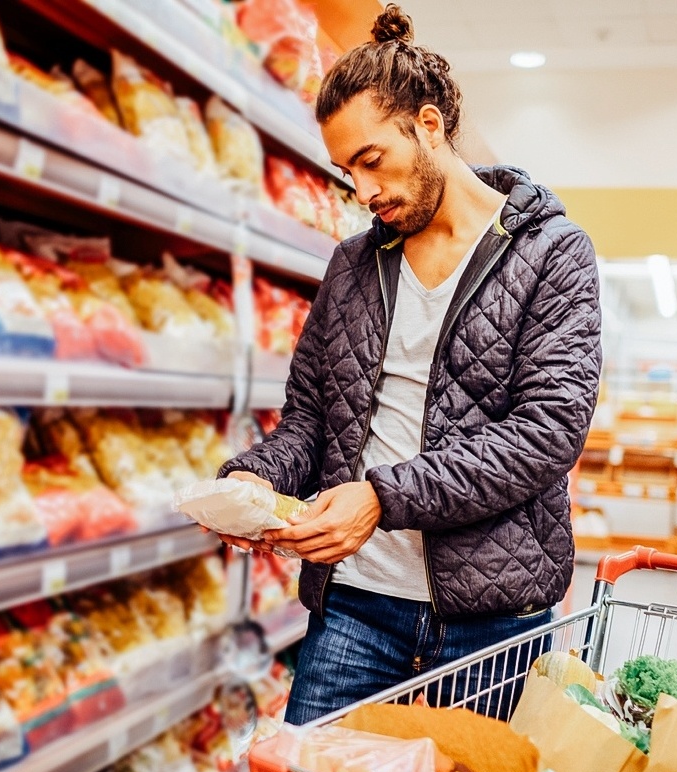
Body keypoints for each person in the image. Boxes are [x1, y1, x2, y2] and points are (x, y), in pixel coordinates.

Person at [217, 3, 602, 725]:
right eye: (346, 171)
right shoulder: (352, 265)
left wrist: (381, 497)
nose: (362, 192)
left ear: (428, 127)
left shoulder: (552, 252)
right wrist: (255, 479)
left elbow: (547, 432)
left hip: (492, 617)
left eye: (372, 161)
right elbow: (309, 418)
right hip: (357, 605)